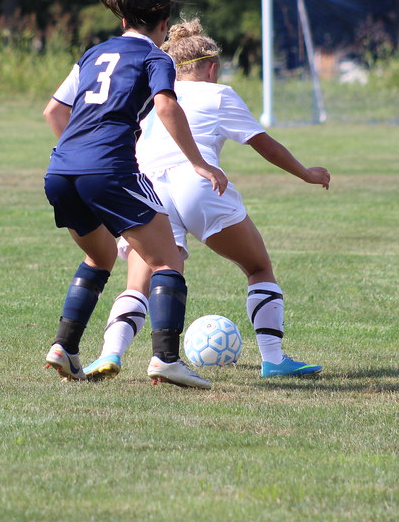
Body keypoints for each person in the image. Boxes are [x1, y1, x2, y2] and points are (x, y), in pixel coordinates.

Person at [80, 19, 329, 381]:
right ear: (211, 67)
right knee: (258, 267)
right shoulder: (218, 94)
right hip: (197, 184)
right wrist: (307, 173)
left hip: (146, 190)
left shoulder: (151, 96)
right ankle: (273, 359)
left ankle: (109, 354)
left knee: (140, 283)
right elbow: (265, 145)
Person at [42, 0, 227, 389]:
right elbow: (166, 106)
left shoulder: (94, 53)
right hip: (107, 169)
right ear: (162, 24)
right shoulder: (156, 58)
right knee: (167, 262)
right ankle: (166, 359)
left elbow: (53, 110)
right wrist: (201, 164)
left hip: (60, 170)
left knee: (101, 258)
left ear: (124, 18)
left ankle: (64, 347)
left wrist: (78, 153)